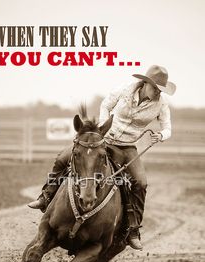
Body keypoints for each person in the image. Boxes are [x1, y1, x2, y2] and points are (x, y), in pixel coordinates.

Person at [28, 65, 176, 250]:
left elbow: (167, 127)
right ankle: (46, 195)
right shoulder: (124, 90)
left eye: (160, 90)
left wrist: (161, 135)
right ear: (145, 83)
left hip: (127, 147)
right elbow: (106, 104)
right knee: (63, 158)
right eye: (155, 88)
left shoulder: (161, 105)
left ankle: (133, 229)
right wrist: (103, 129)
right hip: (103, 140)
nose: (157, 92)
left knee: (140, 182)